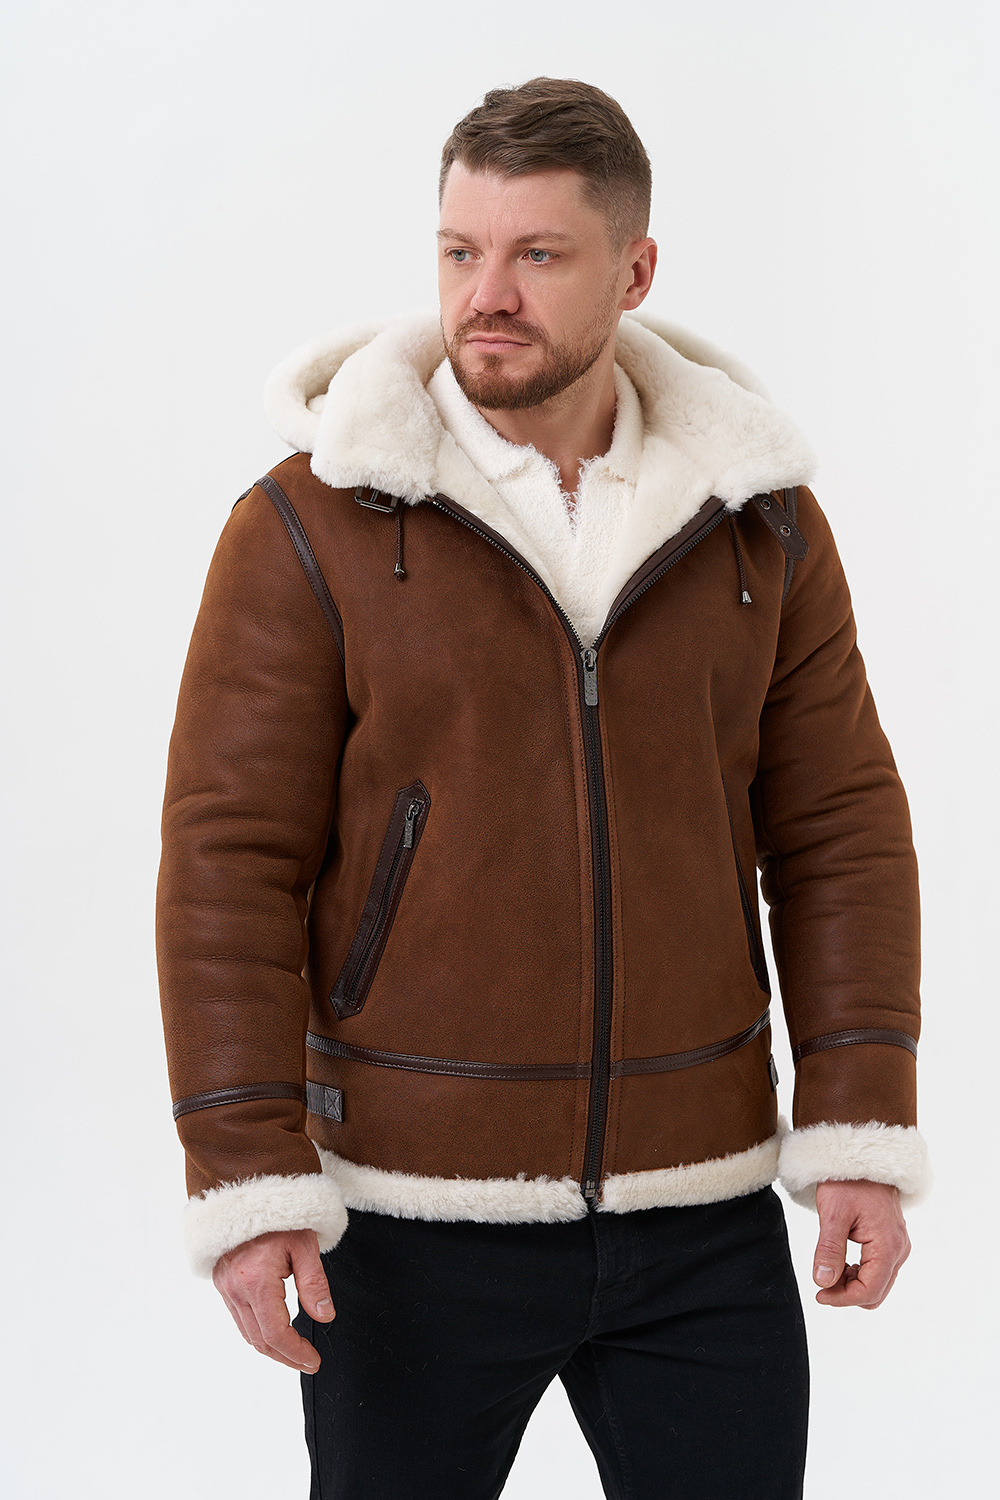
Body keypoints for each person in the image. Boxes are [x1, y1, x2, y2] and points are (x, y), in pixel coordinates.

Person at [156, 77, 930, 1499]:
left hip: (703, 1210)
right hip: (406, 1216)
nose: (487, 295)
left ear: (635, 270)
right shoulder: (310, 523)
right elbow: (228, 862)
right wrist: (247, 1176)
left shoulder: (756, 520)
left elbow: (840, 833)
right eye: (461, 251)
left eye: (536, 255)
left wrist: (859, 1126)